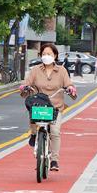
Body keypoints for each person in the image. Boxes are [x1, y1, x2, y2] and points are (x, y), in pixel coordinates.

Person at [20, 43, 76, 172]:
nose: (46, 56)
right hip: (39, 104)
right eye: (44, 54)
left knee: (55, 132)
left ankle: (54, 160)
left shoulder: (62, 71)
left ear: (55, 55)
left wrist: (70, 88)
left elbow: (68, 84)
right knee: (33, 117)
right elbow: (27, 83)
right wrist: (24, 87)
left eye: (49, 54)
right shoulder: (35, 70)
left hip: (56, 107)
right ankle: (34, 135)